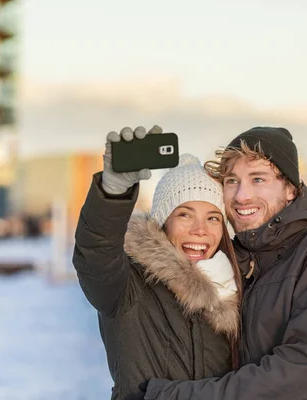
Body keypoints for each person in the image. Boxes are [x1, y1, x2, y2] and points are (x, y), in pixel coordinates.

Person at [143, 127, 307, 399]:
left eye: (258, 179)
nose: (241, 196)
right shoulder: (238, 264)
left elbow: (299, 370)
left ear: (289, 190)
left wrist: (175, 396)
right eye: (231, 181)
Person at [72, 126, 243, 400]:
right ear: (164, 222)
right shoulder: (129, 286)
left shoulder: (238, 290)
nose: (200, 230)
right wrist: (111, 195)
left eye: (213, 218)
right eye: (185, 215)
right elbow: (95, 256)